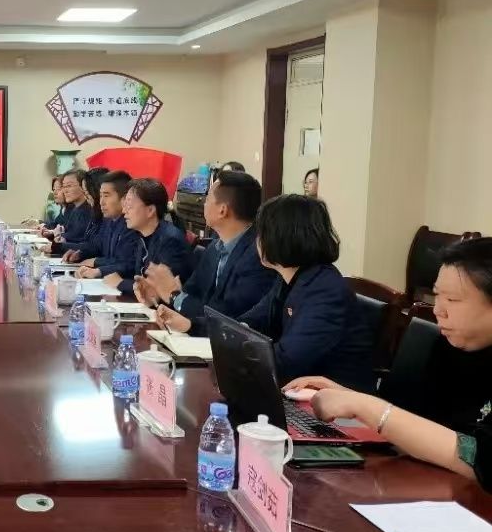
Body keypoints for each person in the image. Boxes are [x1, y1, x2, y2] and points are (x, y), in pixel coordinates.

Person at [285, 238, 492, 491]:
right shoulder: (448, 345)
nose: (438, 310)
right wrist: (350, 398)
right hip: (425, 484)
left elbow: (481, 460)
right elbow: (411, 418)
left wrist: (366, 407)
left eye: (453, 300)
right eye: (437, 295)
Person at [171, 194, 373, 391]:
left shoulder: (324, 290)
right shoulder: (287, 279)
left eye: (261, 233)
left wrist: (233, 354)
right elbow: (246, 324)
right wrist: (192, 325)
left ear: (282, 237)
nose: (256, 242)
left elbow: (286, 360)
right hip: (294, 389)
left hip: (335, 403)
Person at [140, 172, 275, 334]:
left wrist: (174, 295)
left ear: (222, 210)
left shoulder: (258, 256)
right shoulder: (215, 247)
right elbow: (190, 293)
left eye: (208, 198)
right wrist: (158, 298)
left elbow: (227, 317)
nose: (204, 204)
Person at [103, 177, 192, 294]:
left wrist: (120, 283)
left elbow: (158, 290)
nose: (124, 211)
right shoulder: (143, 235)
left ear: (150, 210)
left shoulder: (170, 241)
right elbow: (133, 271)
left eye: (129, 206)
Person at [61, 171, 139, 279]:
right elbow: (97, 246)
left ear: (124, 199)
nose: (101, 202)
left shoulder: (132, 224)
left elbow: (127, 264)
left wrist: (97, 265)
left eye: (106, 196)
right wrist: (80, 254)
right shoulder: (108, 220)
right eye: (100, 196)